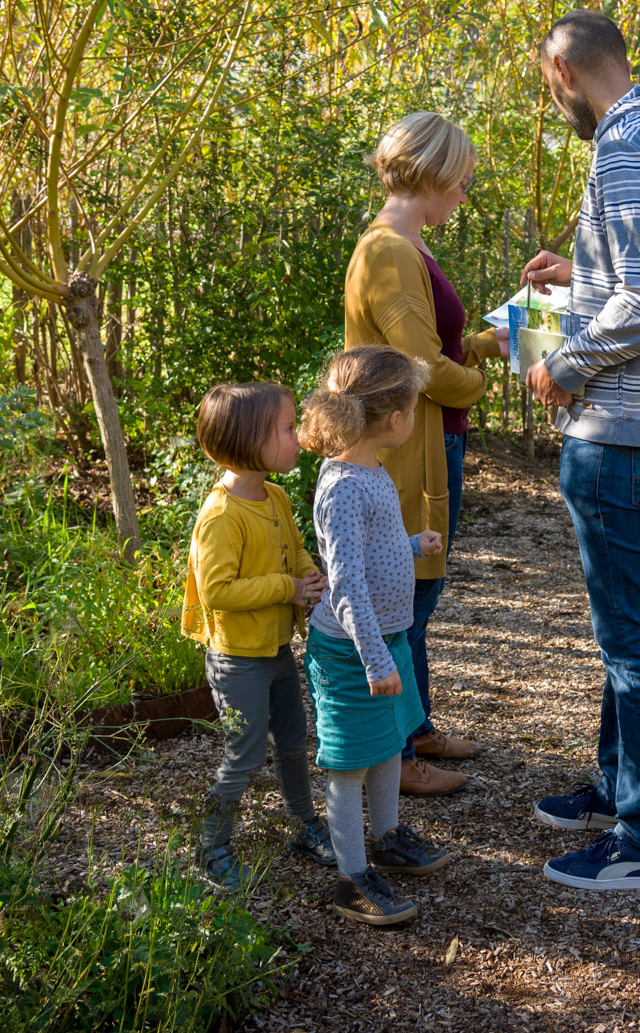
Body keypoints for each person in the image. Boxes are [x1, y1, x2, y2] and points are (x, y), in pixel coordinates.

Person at [520, 9, 640, 893]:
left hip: (620, 424)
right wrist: (581, 276)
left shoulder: (622, 148)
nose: (551, 98)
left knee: (631, 639)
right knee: (620, 629)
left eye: (545, 82)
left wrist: (562, 364)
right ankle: (615, 785)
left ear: (564, 69)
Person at [342, 112, 503, 797]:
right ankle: (396, 751)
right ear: (432, 173)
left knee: (418, 589)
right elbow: (419, 364)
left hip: (424, 434)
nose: (465, 192)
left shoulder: (405, 246)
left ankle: (417, 726)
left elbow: (425, 344)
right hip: (406, 444)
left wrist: (478, 343)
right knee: (405, 590)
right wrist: (481, 379)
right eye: (461, 180)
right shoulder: (389, 251)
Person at [300, 345, 459, 926]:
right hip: (353, 653)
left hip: (385, 642)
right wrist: (374, 660)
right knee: (349, 766)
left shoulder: (367, 469)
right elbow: (344, 587)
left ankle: (387, 837)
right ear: (394, 419)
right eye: (415, 407)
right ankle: (350, 877)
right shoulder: (342, 485)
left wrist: (413, 544)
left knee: (391, 744)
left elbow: (370, 553)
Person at [181, 381, 336, 891]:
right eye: (289, 429)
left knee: (293, 744)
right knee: (244, 756)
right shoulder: (221, 517)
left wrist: (308, 576)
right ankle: (213, 847)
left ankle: (304, 826)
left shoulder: (274, 496)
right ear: (252, 441)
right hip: (237, 660)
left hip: (275, 650)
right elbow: (219, 591)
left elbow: (293, 550)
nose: (299, 437)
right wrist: (286, 588)